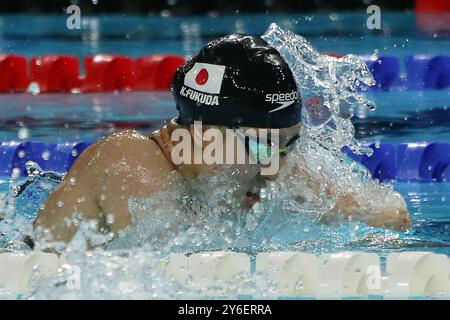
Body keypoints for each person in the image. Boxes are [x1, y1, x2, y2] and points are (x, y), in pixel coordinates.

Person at [34, 34, 411, 247]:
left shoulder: (264, 167)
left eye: (288, 146)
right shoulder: (129, 161)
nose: (274, 168)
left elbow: (395, 218)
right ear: (200, 134)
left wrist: (348, 207)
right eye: (261, 147)